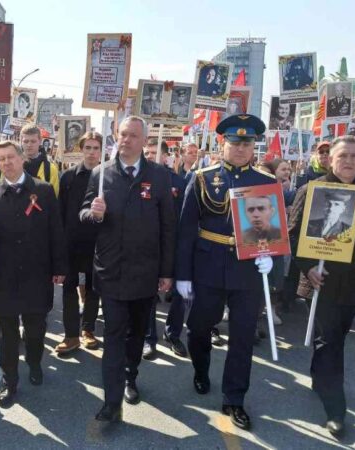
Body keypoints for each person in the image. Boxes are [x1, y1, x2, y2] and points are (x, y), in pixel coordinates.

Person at [176, 114, 277, 430]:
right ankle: (201, 369)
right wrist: (182, 274)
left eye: (247, 143)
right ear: (223, 143)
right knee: (198, 328)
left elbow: (271, 228)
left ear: (253, 146)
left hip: (248, 270)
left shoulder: (265, 181)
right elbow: (186, 230)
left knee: (243, 337)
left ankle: (235, 398)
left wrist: (271, 257)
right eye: (235, 142)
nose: (241, 148)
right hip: (208, 265)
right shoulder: (203, 178)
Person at [288, 135, 355, 437]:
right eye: (343, 155)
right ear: (330, 159)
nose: (348, 161)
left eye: (354, 156)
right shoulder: (312, 190)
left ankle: (320, 375)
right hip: (323, 281)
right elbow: (293, 235)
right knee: (330, 341)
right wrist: (308, 267)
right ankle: (336, 409)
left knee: (334, 337)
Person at [80, 116, 176, 423]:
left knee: (136, 335)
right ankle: (111, 402)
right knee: (113, 334)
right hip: (110, 270)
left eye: (133, 135)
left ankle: (130, 376)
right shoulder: (101, 173)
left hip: (144, 272)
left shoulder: (159, 176)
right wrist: (93, 214)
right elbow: (83, 213)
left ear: (145, 141)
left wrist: (166, 271)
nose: (126, 139)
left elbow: (168, 226)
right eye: (122, 134)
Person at [0, 140, 67, 408]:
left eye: (10, 157)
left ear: (21, 158)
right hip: (5, 274)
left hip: (36, 272)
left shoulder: (43, 190)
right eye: (1, 159)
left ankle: (34, 362)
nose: (6, 162)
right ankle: (10, 379)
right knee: (6, 332)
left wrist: (59, 267)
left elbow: (56, 230)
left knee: (35, 328)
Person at [55, 131, 102, 354]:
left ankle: (88, 330)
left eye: (96, 148)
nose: (92, 152)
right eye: (88, 148)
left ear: (101, 151)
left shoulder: (107, 177)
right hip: (71, 243)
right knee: (69, 288)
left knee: (93, 288)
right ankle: (71, 335)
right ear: (81, 149)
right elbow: (60, 212)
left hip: (98, 243)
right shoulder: (68, 176)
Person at [142, 140, 188, 360]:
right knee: (148, 293)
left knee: (180, 293)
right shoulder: (141, 178)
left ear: (165, 156)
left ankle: (173, 333)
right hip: (151, 244)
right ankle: (148, 338)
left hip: (176, 243)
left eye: (154, 152)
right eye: (147, 152)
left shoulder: (179, 181)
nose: (149, 156)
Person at [21, 124, 59, 196]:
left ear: (40, 141)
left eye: (33, 141)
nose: (29, 145)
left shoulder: (51, 169)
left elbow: (53, 197)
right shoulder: (11, 165)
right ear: (21, 141)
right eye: (26, 141)